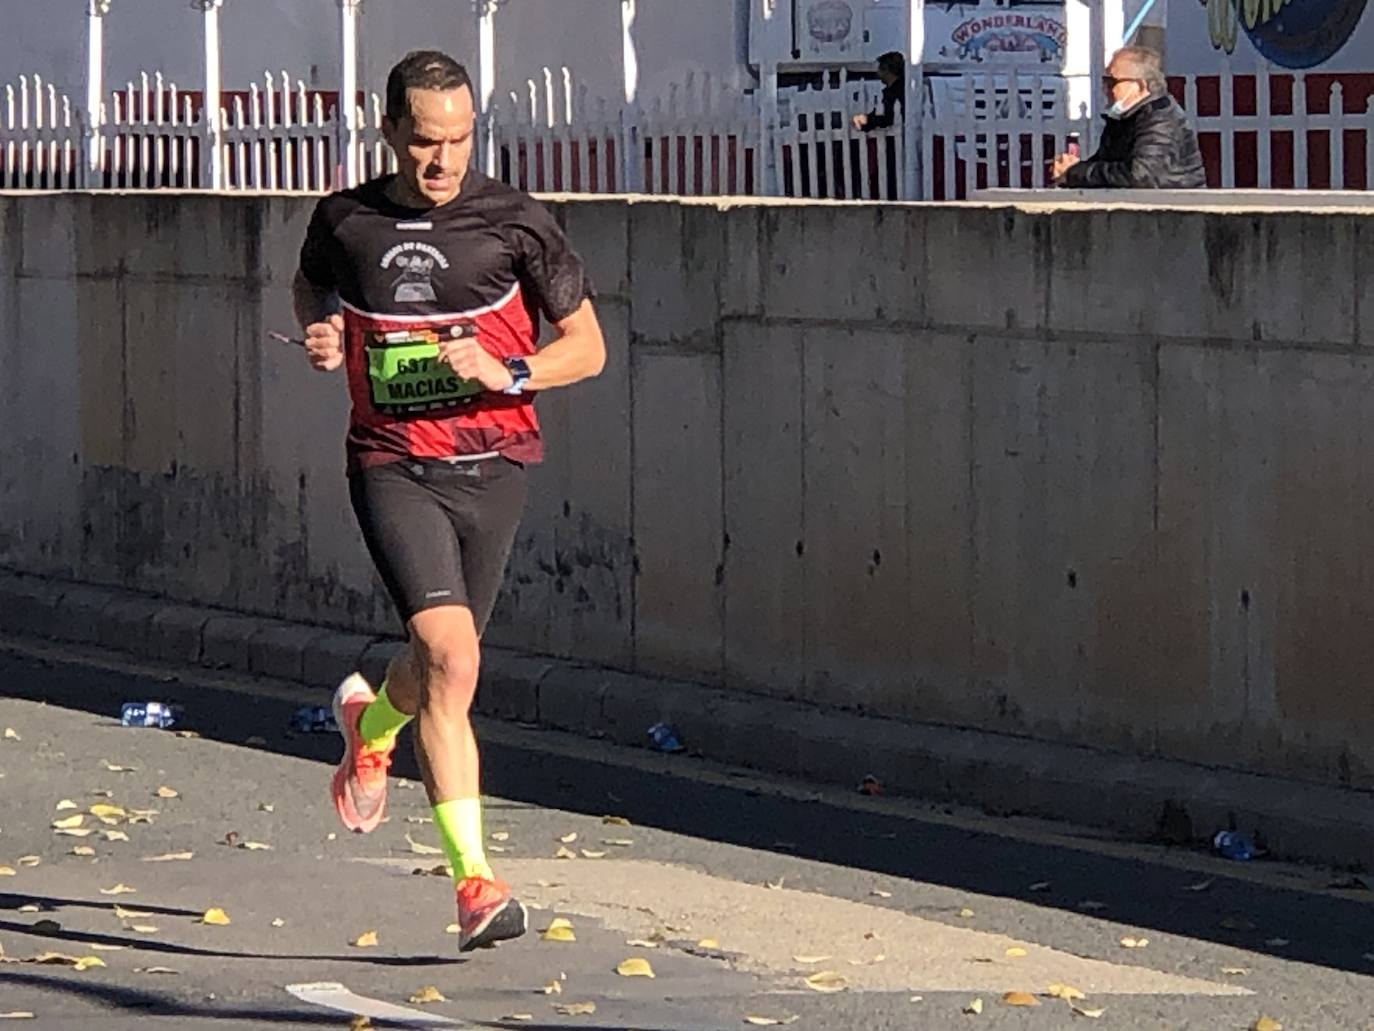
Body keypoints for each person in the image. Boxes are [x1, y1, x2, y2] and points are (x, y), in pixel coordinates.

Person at [292, 50, 606, 952]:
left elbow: (587, 348)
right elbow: (313, 278)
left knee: (440, 670)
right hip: (392, 464)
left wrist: (507, 367)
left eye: (459, 141)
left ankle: (370, 721)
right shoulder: (347, 220)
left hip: (495, 465)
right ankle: (476, 883)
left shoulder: (513, 223)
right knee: (452, 657)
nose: (443, 163)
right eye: (426, 143)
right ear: (390, 131)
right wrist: (322, 329)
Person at [1052, 46, 1205, 189]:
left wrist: (1074, 173)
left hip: (1176, 212)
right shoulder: (1125, 118)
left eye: (1112, 81)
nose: (1106, 88)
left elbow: (1139, 176)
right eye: (1105, 81)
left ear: (1139, 86)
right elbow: (1106, 166)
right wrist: (1070, 170)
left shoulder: (1161, 119)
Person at [851, 51, 904, 132]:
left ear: (886, 70)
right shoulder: (902, 88)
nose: (877, 73)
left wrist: (867, 120)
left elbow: (887, 116)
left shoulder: (894, 92)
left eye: (880, 69)